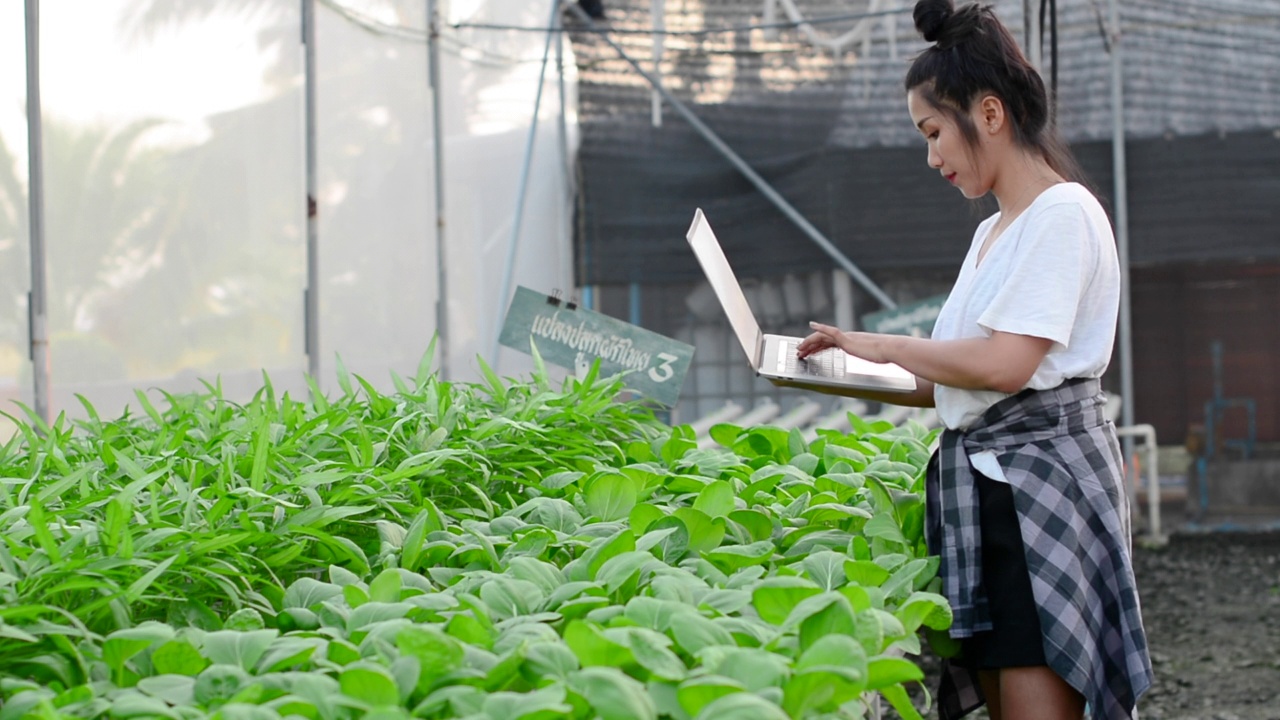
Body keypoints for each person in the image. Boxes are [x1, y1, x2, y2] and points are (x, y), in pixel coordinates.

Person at [789, 1, 1153, 718]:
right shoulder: (994, 232)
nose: (931, 157)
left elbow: (1004, 366)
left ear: (989, 114)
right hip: (990, 492)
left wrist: (880, 341)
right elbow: (947, 383)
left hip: (1038, 486)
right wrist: (832, 367)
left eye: (933, 133)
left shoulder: (1063, 214)